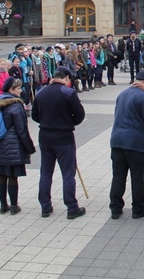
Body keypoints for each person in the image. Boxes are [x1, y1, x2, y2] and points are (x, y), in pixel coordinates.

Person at [31, 67, 87, 220]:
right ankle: (71, 207)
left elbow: (34, 115)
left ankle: (45, 206)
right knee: (68, 173)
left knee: (46, 172)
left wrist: (46, 121)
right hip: (64, 136)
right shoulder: (68, 93)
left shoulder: (41, 92)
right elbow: (80, 115)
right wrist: (69, 122)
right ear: (67, 78)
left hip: (45, 136)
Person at [109, 71, 144, 219]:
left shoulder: (122, 94)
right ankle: (138, 209)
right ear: (142, 82)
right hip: (135, 143)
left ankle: (115, 208)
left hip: (117, 141)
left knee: (118, 176)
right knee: (138, 177)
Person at [0, 78, 36, 215]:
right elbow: (22, 130)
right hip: (13, 145)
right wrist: (30, 147)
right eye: (18, 88)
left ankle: (3, 205)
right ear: (11, 90)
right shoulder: (16, 105)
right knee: (13, 176)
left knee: (2, 175)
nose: (21, 90)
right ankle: (14, 206)